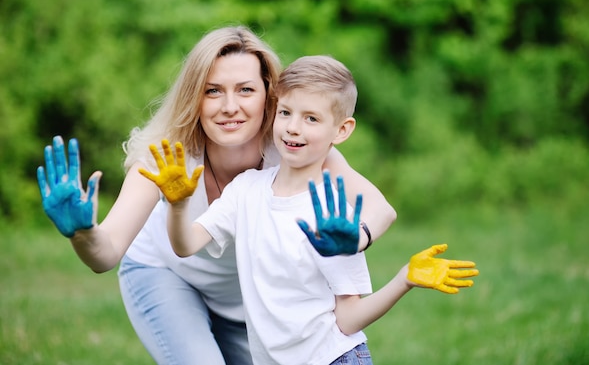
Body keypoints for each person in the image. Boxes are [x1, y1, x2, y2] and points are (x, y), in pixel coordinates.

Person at [36, 26, 398, 365]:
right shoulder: (166, 153)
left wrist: (358, 237)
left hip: (246, 304)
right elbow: (105, 253)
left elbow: (380, 210)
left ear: (269, 94)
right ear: (195, 97)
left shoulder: (293, 145)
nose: (229, 106)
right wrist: (82, 232)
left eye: (245, 90)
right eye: (213, 91)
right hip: (166, 274)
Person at [141, 55, 479, 364]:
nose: (293, 128)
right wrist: (177, 204)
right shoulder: (246, 190)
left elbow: (347, 320)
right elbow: (185, 245)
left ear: (342, 130)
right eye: (286, 112)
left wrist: (403, 279)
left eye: (311, 118)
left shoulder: (332, 218)